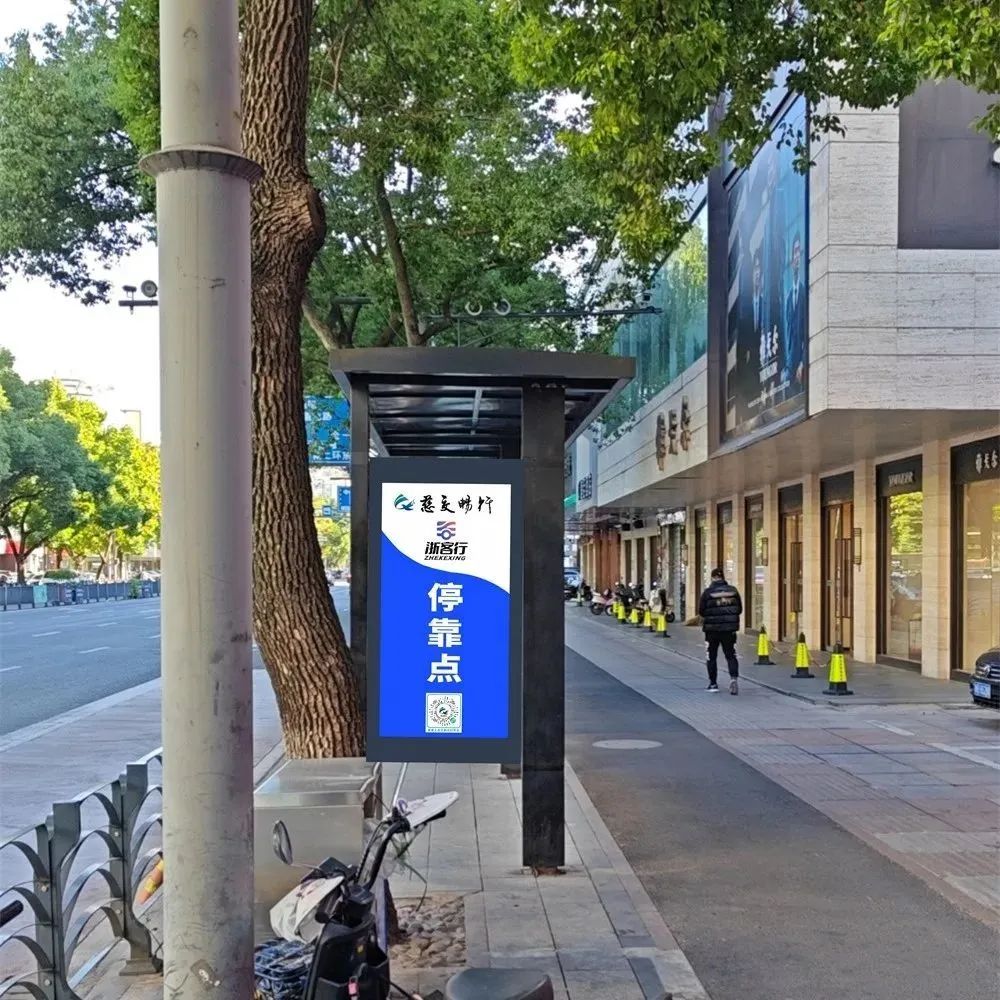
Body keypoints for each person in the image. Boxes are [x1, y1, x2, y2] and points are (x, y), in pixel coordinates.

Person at [698, 567, 743, 694]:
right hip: (729, 630)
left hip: (711, 631)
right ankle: (733, 678)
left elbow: (701, 611)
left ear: (712, 577)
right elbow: (739, 609)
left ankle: (713, 684)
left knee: (711, 656)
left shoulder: (707, 592)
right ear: (723, 577)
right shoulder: (733, 591)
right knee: (731, 655)